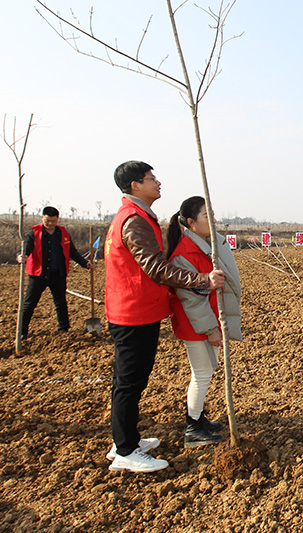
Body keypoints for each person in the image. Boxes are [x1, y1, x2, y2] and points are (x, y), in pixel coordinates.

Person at [104, 161, 225, 473]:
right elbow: (156, 267)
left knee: (131, 380)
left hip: (137, 309)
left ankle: (126, 439)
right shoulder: (133, 220)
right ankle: (126, 450)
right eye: (151, 179)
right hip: (132, 311)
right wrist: (202, 280)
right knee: (129, 382)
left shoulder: (139, 217)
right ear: (135, 185)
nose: (157, 183)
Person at [166, 196, 242, 448]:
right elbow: (190, 300)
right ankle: (193, 428)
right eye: (206, 216)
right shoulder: (184, 254)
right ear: (191, 222)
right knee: (202, 373)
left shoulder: (207, 245)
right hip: (196, 324)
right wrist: (210, 329)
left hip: (208, 319)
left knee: (206, 370)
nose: (213, 220)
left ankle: (198, 419)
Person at [16, 206, 94, 339]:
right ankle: (22, 332)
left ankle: (63, 328)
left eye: (53, 221)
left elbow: (72, 252)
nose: (50, 224)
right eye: (47, 221)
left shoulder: (63, 233)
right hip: (38, 275)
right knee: (29, 304)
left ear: (57, 219)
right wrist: (20, 257)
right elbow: (24, 250)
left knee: (61, 302)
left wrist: (85, 263)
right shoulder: (33, 234)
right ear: (42, 218)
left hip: (58, 274)